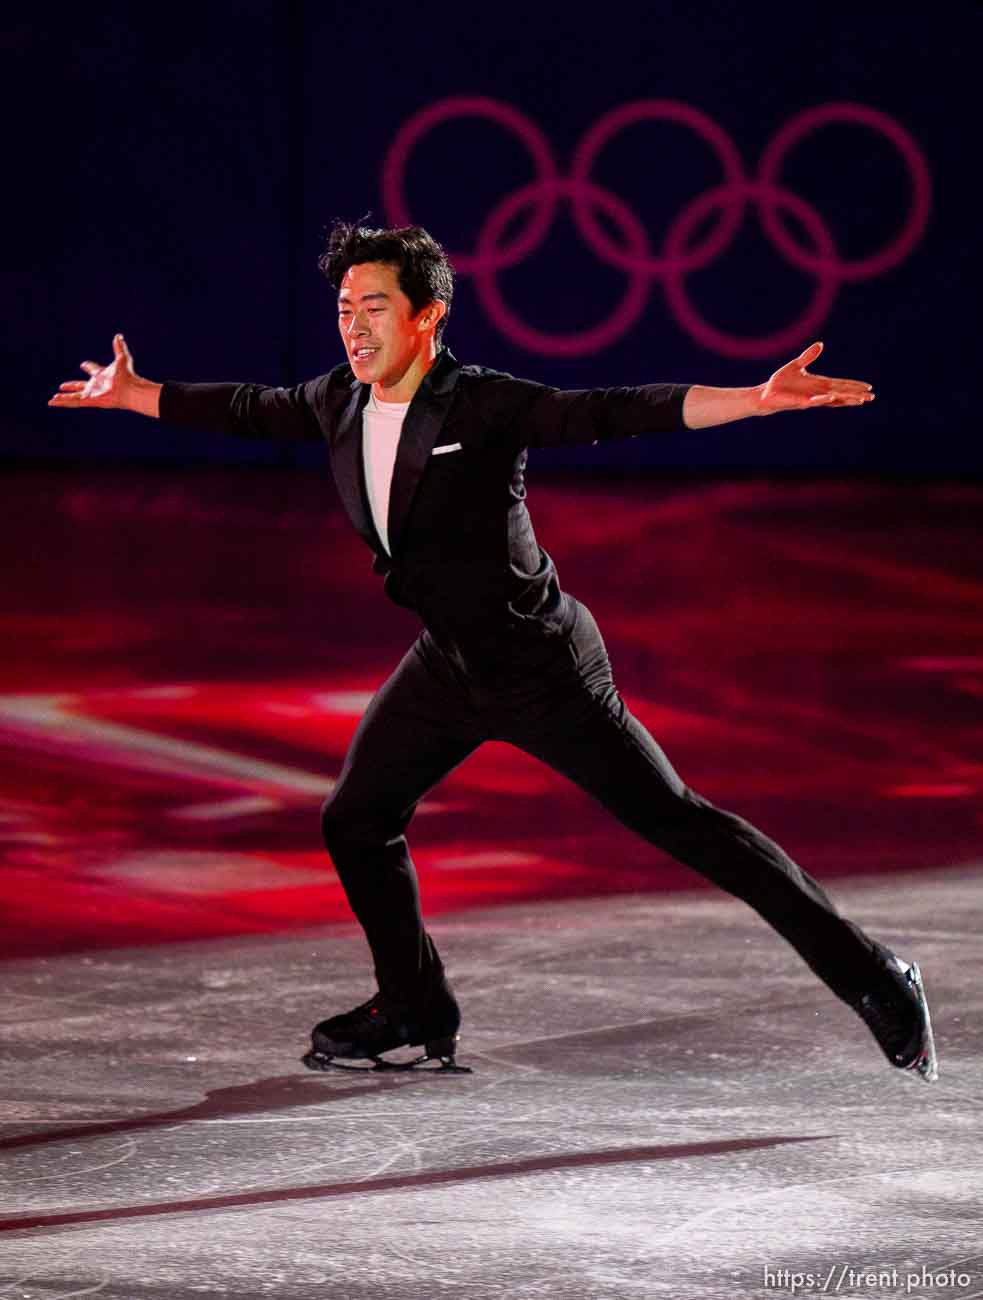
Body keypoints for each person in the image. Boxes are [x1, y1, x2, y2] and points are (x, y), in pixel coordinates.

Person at [49, 221, 937, 1082]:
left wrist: (751, 399)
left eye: (376, 308)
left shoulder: (483, 403)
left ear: (427, 316)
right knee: (355, 819)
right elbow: (248, 409)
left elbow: (609, 412)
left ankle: (872, 975)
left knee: (684, 826)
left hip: (544, 668)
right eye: (345, 309)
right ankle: (413, 1006)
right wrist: (137, 394)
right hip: (448, 665)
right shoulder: (337, 401)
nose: (354, 327)